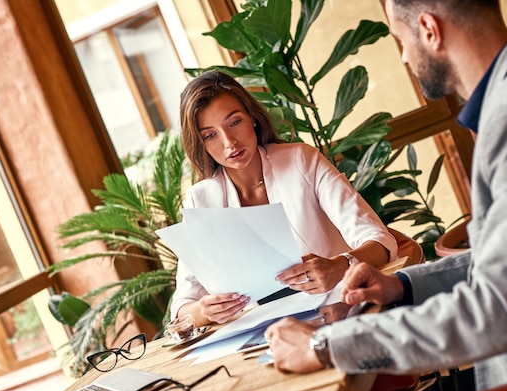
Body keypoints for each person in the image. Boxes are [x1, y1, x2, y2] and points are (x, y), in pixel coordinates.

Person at [266, 0, 507, 391]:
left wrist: (327, 344)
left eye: (401, 41)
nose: (403, 56)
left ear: (429, 30)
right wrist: (403, 285)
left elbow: (497, 308)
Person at [170, 70, 398, 327]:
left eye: (234, 122)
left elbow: (380, 241)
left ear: (252, 118)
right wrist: (205, 310)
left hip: (343, 313)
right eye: (210, 135)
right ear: (200, 144)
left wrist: (340, 266)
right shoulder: (200, 200)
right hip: (267, 335)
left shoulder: (302, 161)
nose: (229, 142)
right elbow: (181, 310)